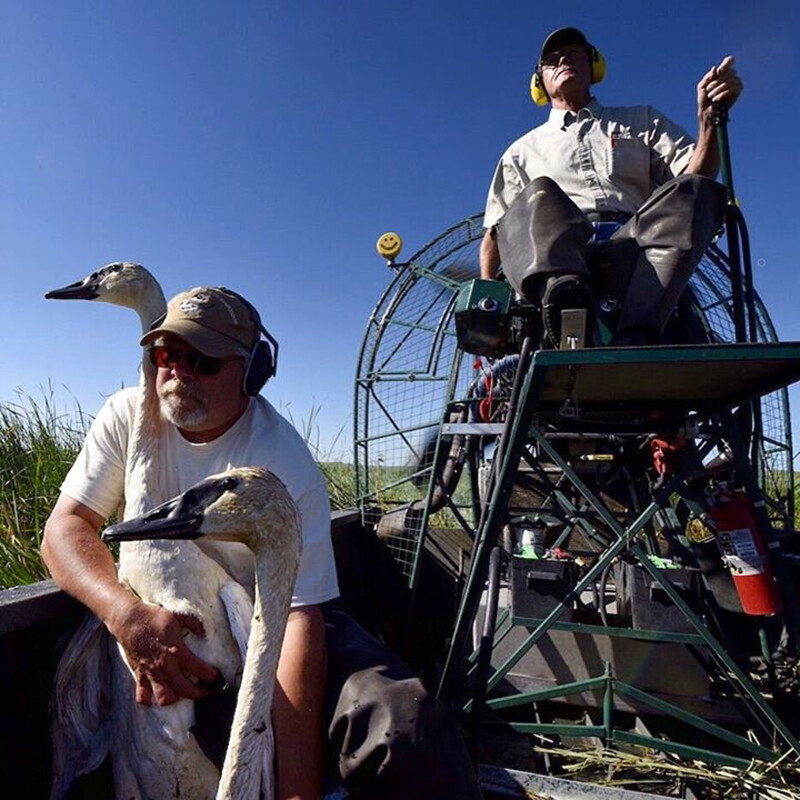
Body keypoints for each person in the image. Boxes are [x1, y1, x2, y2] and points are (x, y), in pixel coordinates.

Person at [42, 286, 482, 800]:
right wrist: (124, 616)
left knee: (399, 719)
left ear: (252, 374)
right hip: (158, 616)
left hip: (269, 610)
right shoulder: (127, 415)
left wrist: (297, 790)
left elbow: (297, 617)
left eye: (204, 361)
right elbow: (65, 530)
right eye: (167, 354)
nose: (179, 372)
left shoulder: (282, 458)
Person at [479, 27, 743, 346]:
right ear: (539, 83)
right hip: (563, 256)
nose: (564, 59)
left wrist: (710, 120)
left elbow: (693, 180)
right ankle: (568, 308)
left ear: (594, 67)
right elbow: (497, 232)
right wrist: (486, 296)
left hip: (642, 253)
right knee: (540, 194)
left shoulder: (642, 119)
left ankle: (633, 339)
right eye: (552, 60)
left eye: (574, 54)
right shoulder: (519, 152)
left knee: (697, 189)